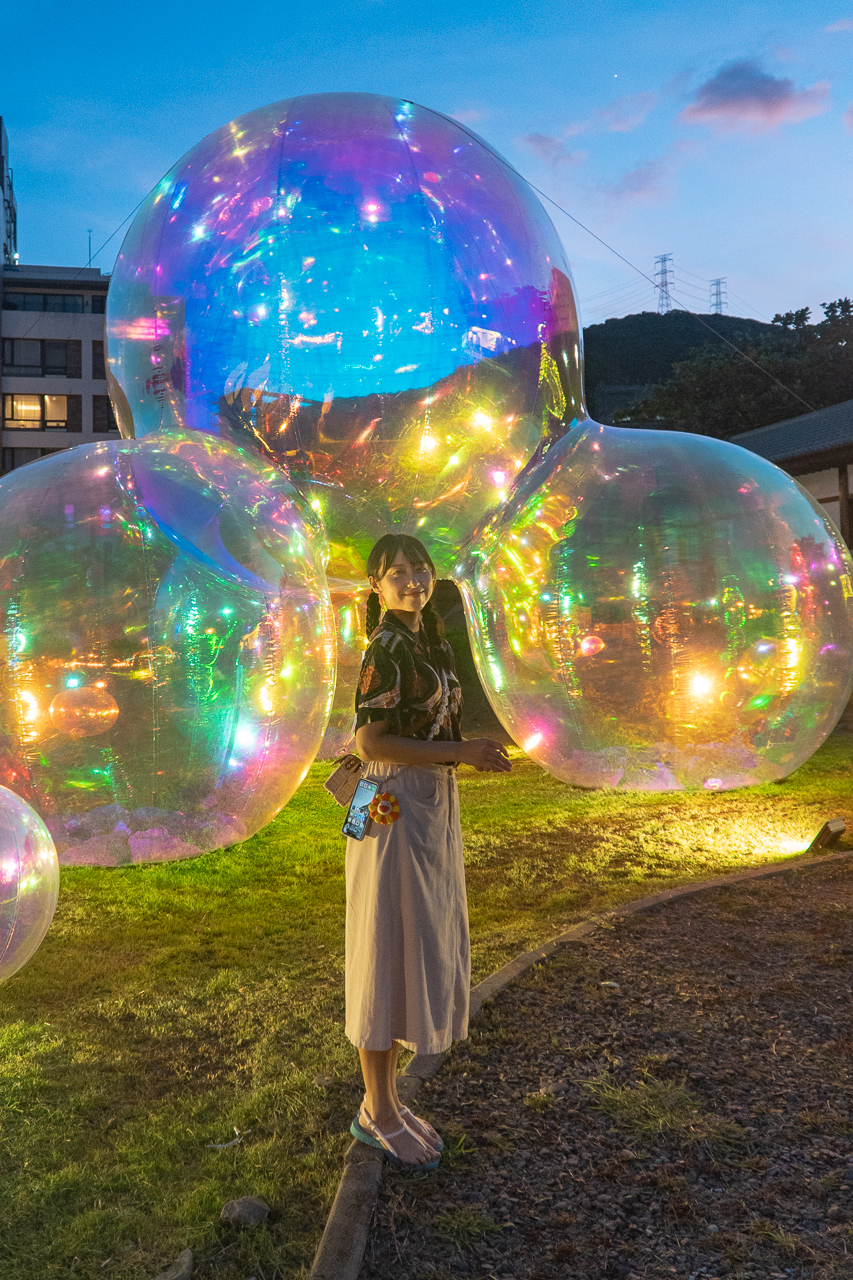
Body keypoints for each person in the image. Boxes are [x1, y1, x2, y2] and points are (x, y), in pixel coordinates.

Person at [346, 533, 511, 1170]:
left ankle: (383, 1102)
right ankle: (377, 1111)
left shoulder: (428, 640)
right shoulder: (386, 648)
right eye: (397, 572)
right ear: (376, 586)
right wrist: (462, 752)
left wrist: (458, 754)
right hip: (395, 807)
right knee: (386, 950)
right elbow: (369, 744)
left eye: (420, 568)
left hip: (426, 804)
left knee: (412, 943)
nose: (412, 579)